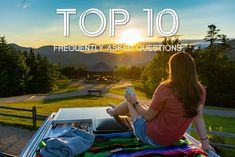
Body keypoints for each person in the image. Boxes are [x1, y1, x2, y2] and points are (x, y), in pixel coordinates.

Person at [106, 52, 214, 151]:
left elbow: (148, 116)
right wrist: (205, 143)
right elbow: (198, 117)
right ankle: (118, 110)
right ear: (192, 68)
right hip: (172, 140)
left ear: (173, 69)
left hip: (152, 138)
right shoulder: (199, 90)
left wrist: (134, 101)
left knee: (129, 102)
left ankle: (114, 112)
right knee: (141, 105)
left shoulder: (165, 88)